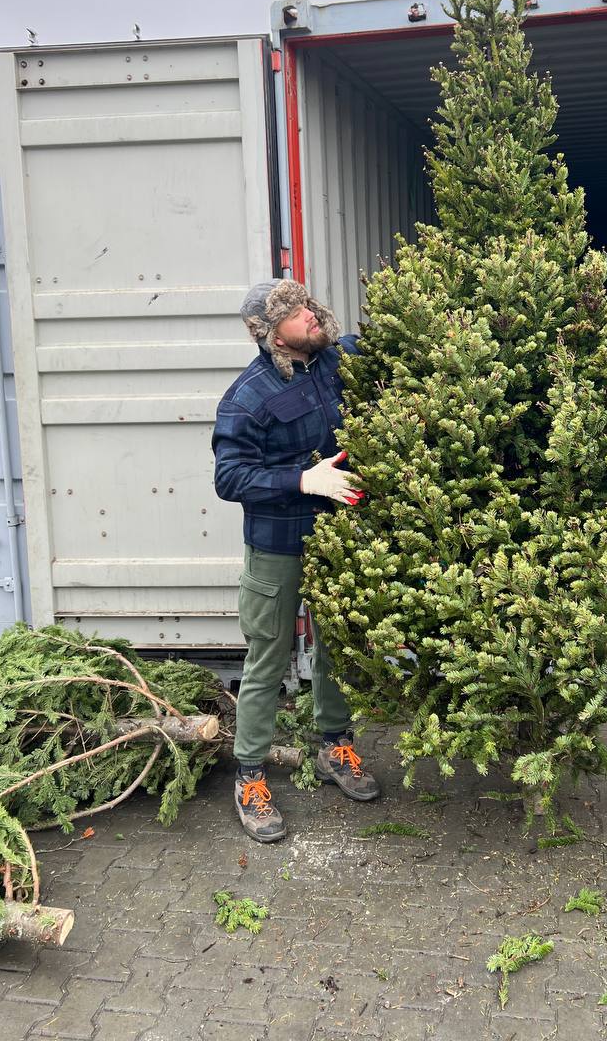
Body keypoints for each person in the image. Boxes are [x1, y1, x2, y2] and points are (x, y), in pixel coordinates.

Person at [213, 278, 381, 843]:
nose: (311, 314)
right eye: (295, 311)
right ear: (269, 333)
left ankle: (337, 747)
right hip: (278, 545)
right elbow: (229, 476)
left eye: (308, 303)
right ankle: (252, 778)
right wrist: (302, 479)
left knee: (337, 643)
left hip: (339, 536)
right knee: (269, 654)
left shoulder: (340, 360)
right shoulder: (248, 397)